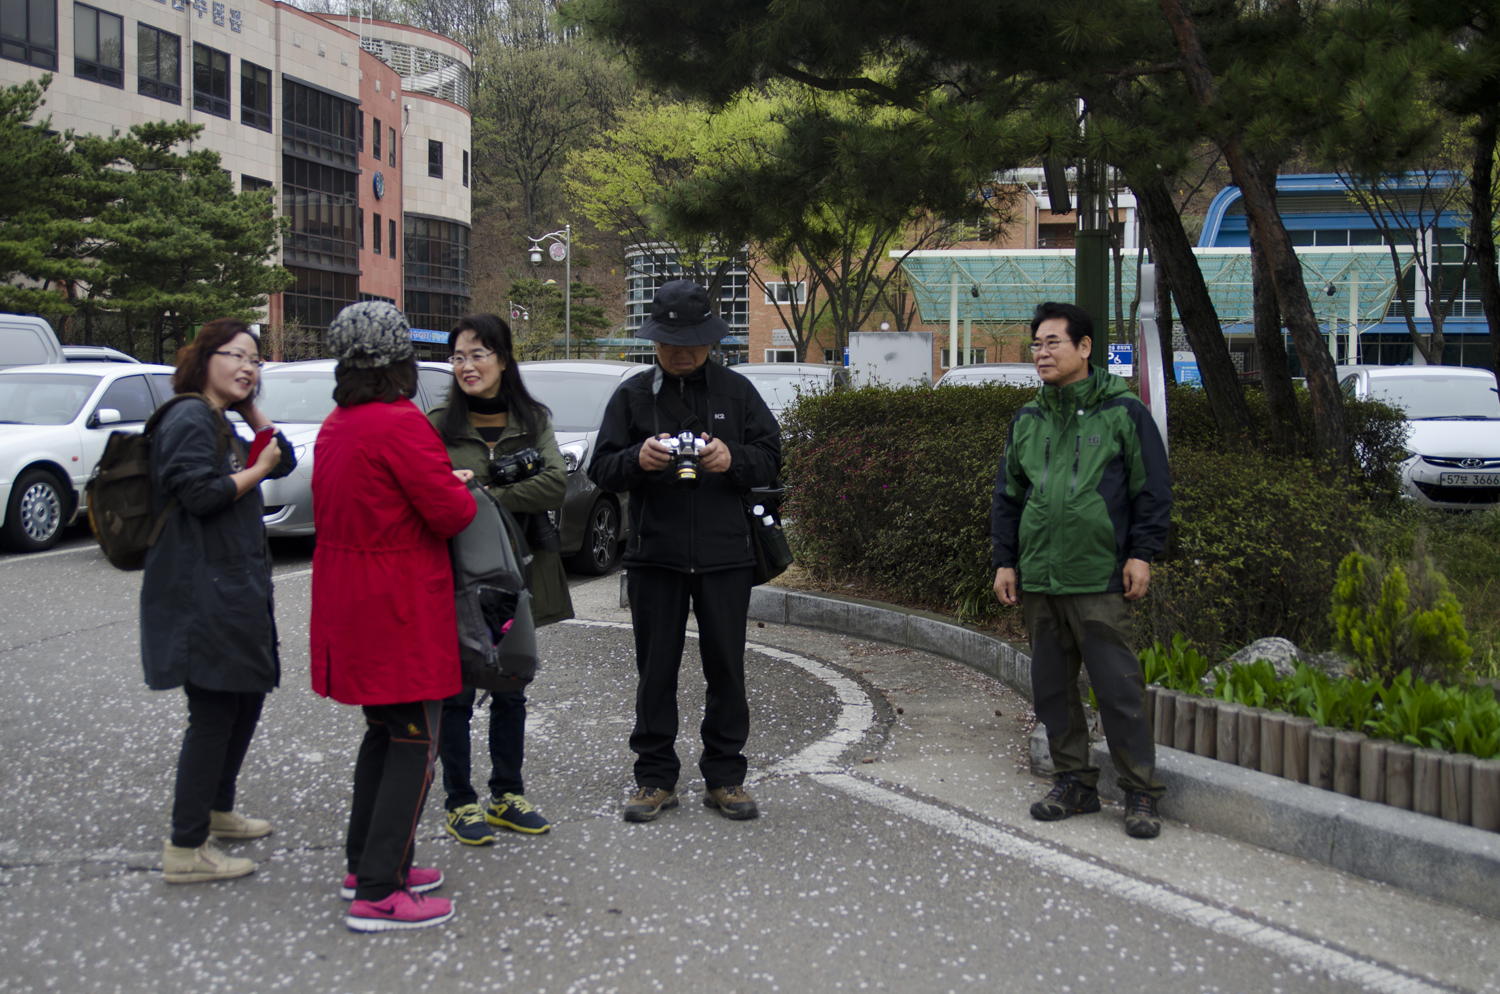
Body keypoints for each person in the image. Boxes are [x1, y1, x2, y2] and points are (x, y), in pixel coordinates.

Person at [310, 301, 478, 932]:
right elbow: (449, 513)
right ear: (400, 361)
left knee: (383, 735)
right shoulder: (400, 422)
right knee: (413, 743)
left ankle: (369, 864)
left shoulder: (340, 422)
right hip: (398, 604)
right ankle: (381, 890)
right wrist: (456, 484)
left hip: (350, 598)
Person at [588, 279, 781, 823]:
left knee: (727, 670)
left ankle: (725, 776)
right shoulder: (632, 395)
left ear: (710, 340)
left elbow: (771, 457)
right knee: (655, 672)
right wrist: (637, 460)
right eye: (670, 342)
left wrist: (732, 458)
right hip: (655, 554)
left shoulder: (736, 391)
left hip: (726, 555)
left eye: (693, 342)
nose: (681, 352)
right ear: (654, 339)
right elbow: (601, 468)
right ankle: (654, 778)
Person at [990, 301, 1172, 839]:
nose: (1041, 353)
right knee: (1052, 689)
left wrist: (1142, 553)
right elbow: (1008, 497)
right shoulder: (1028, 419)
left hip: (1100, 577)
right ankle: (1074, 782)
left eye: (1053, 343)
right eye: (1037, 344)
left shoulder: (1123, 412)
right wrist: (1005, 561)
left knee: (1118, 689)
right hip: (1040, 577)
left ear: (1085, 347)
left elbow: (1152, 489)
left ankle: (1139, 790)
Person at [142, 318, 296, 884]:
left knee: (243, 696)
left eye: (254, 360)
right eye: (234, 355)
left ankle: (216, 809)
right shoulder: (187, 417)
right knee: (212, 711)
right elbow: (200, 494)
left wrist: (253, 414)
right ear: (203, 357)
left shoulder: (219, 418)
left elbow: (285, 460)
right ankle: (185, 846)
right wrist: (257, 471)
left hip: (230, 585)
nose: (247, 367)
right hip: (199, 589)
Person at [430, 313, 574, 845]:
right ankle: (459, 801)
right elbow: (426, 490)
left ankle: (507, 794)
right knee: (457, 690)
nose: (467, 366)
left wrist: (486, 493)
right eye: (459, 356)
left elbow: (556, 483)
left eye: (478, 354)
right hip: (458, 573)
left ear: (503, 359)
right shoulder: (437, 423)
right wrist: (460, 490)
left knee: (512, 683)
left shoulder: (532, 418)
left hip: (516, 572)